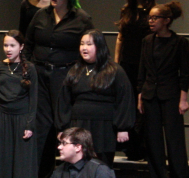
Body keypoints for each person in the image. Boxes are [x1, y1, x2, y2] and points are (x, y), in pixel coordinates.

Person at [26, 0, 95, 174]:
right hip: (40, 73)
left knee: (64, 123)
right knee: (40, 124)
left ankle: (71, 173)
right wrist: (26, 67)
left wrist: (81, 74)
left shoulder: (82, 18)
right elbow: (28, 43)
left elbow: (91, 46)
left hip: (65, 75)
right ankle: (40, 175)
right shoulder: (41, 15)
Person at [57, 30, 135, 167]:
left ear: (99, 46)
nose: (84, 48)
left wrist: (123, 127)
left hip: (103, 126)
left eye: (89, 44)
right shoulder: (75, 69)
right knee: (78, 162)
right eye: (82, 44)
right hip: (79, 123)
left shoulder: (114, 70)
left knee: (101, 163)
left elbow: (124, 98)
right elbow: (64, 100)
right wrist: (62, 127)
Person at [138, 1, 189, 178]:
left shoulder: (180, 43)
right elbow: (142, 71)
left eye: (155, 18)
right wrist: (140, 96)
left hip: (171, 95)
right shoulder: (147, 41)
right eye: (150, 18)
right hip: (150, 95)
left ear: (167, 21)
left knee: (174, 140)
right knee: (153, 141)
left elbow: (184, 74)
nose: (151, 21)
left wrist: (183, 99)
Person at [0, 30, 39, 178]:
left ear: (21, 47)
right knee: (5, 161)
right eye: (5, 45)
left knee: (22, 163)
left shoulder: (30, 69)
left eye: (12, 45)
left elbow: (34, 99)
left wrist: (29, 124)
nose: (8, 49)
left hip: (21, 119)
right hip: (3, 119)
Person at [114, 0, 155, 161]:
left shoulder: (153, 11)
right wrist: (116, 63)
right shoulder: (127, 10)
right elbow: (120, 37)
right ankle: (130, 147)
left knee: (143, 106)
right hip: (127, 63)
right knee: (127, 104)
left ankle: (145, 146)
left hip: (144, 64)